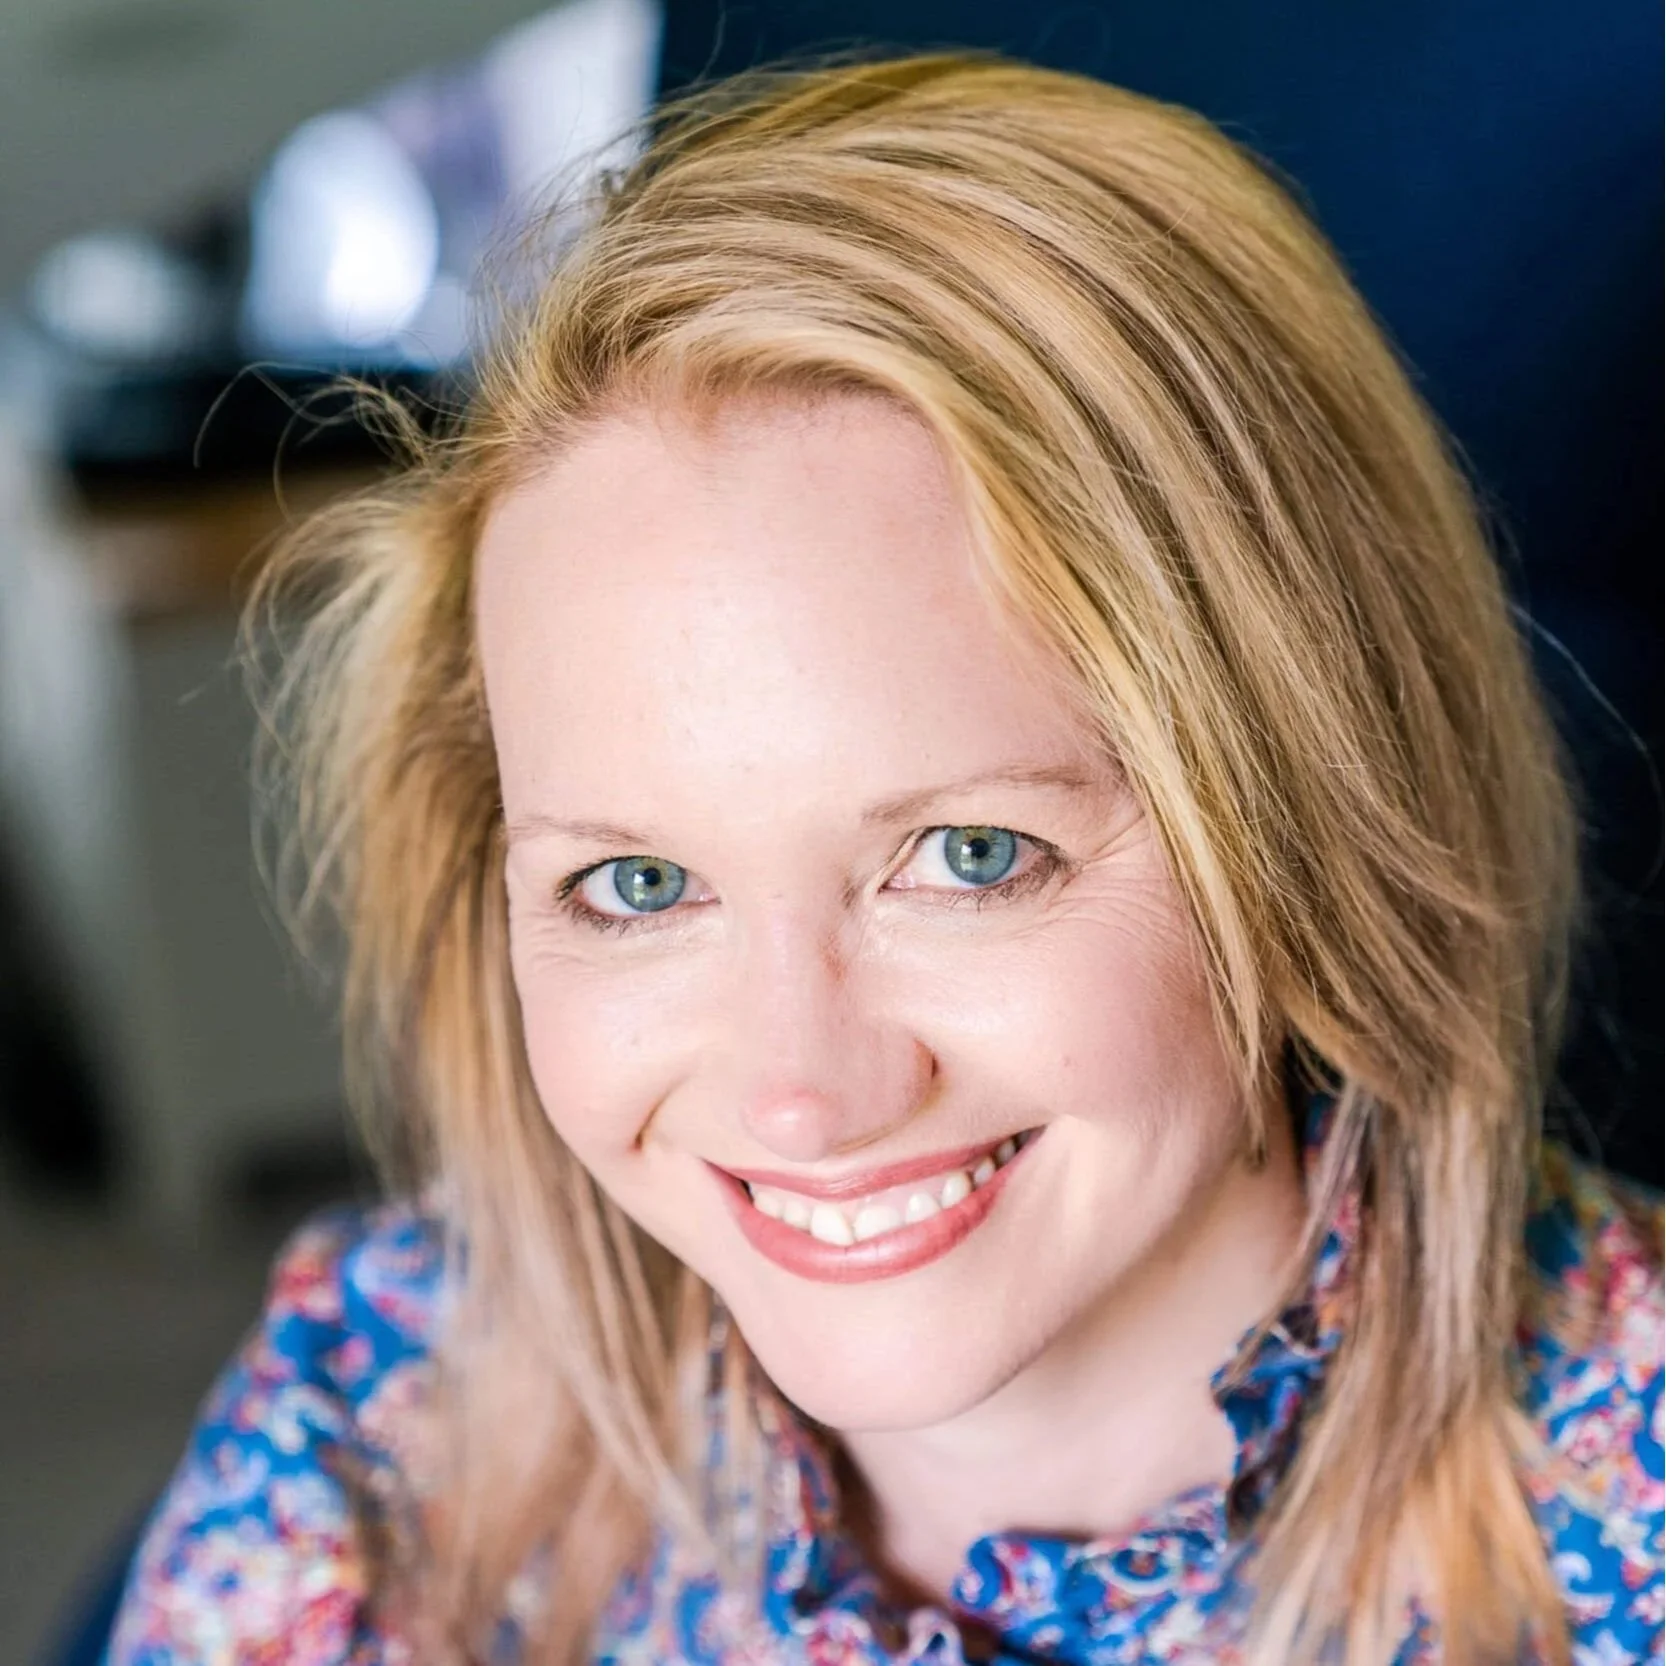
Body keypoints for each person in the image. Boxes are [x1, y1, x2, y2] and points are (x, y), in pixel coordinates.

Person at [107, 55, 1661, 1666]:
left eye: (969, 855)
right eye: (637, 885)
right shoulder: (382, 1408)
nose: (802, 1093)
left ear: (1311, 812)